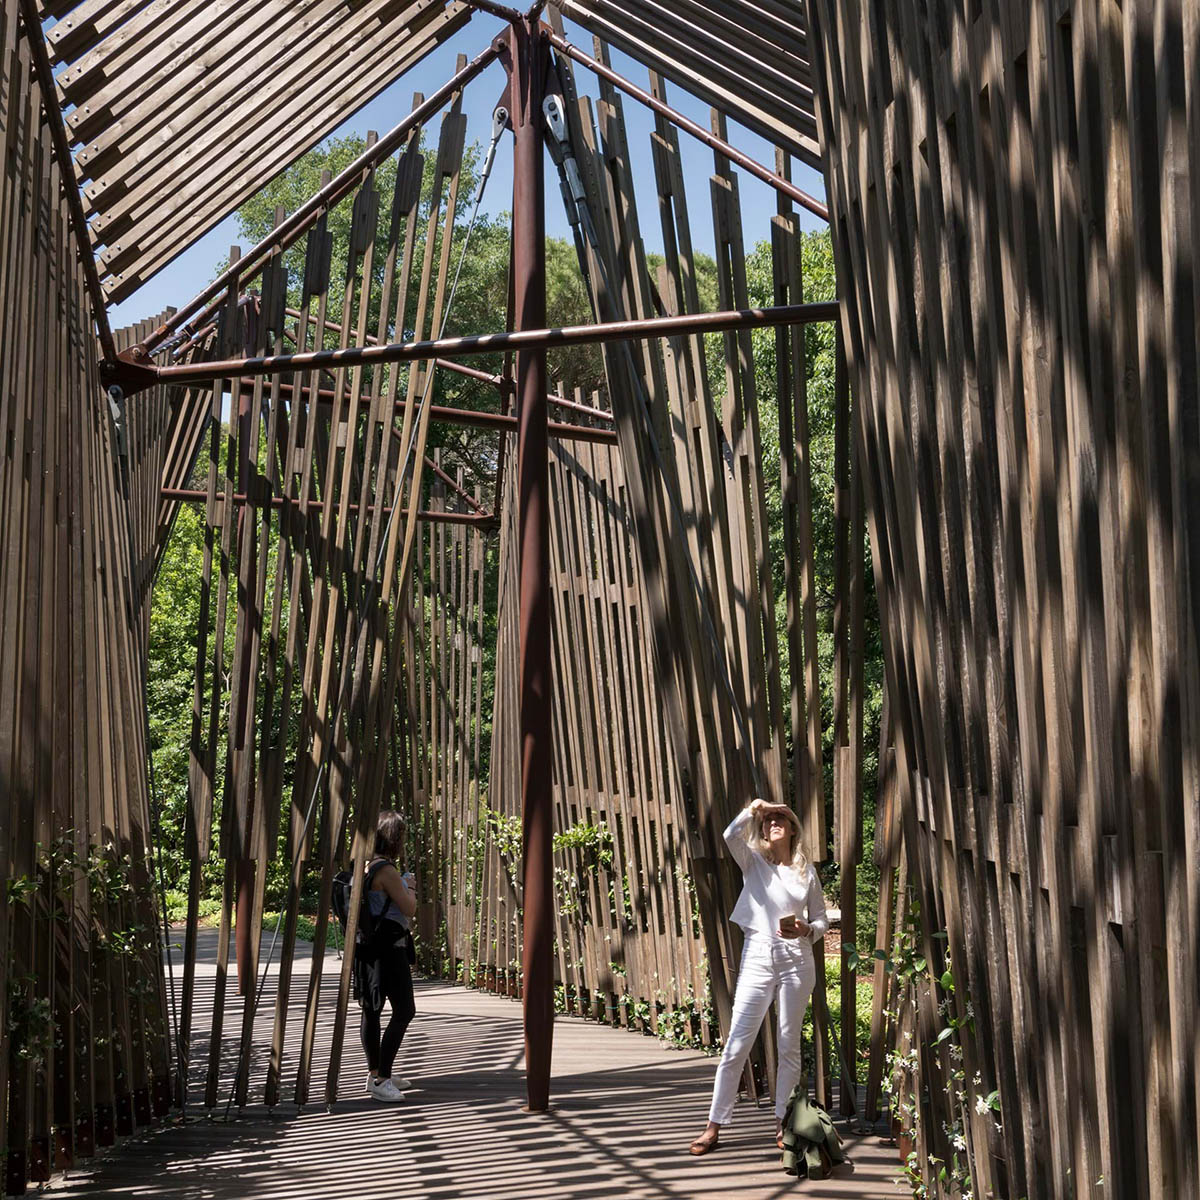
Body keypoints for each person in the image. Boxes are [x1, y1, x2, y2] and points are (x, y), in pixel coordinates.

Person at [689, 797, 828, 1155]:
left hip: (797, 960)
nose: (772, 822)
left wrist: (806, 929)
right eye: (768, 820)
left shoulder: (805, 872)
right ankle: (713, 1125)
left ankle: (784, 1123)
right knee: (736, 1044)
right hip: (757, 956)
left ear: (793, 828)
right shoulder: (753, 861)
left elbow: (822, 920)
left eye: (780, 817)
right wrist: (754, 807)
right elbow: (729, 834)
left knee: (788, 1046)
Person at [360, 809, 418, 1103]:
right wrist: (410, 887)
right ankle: (381, 1078)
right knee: (405, 1010)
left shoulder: (367, 865)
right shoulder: (388, 871)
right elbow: (409, 908)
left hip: (369, 948)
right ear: (394, 837)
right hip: (390, 949)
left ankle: (376, 1072)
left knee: (372, 1009)